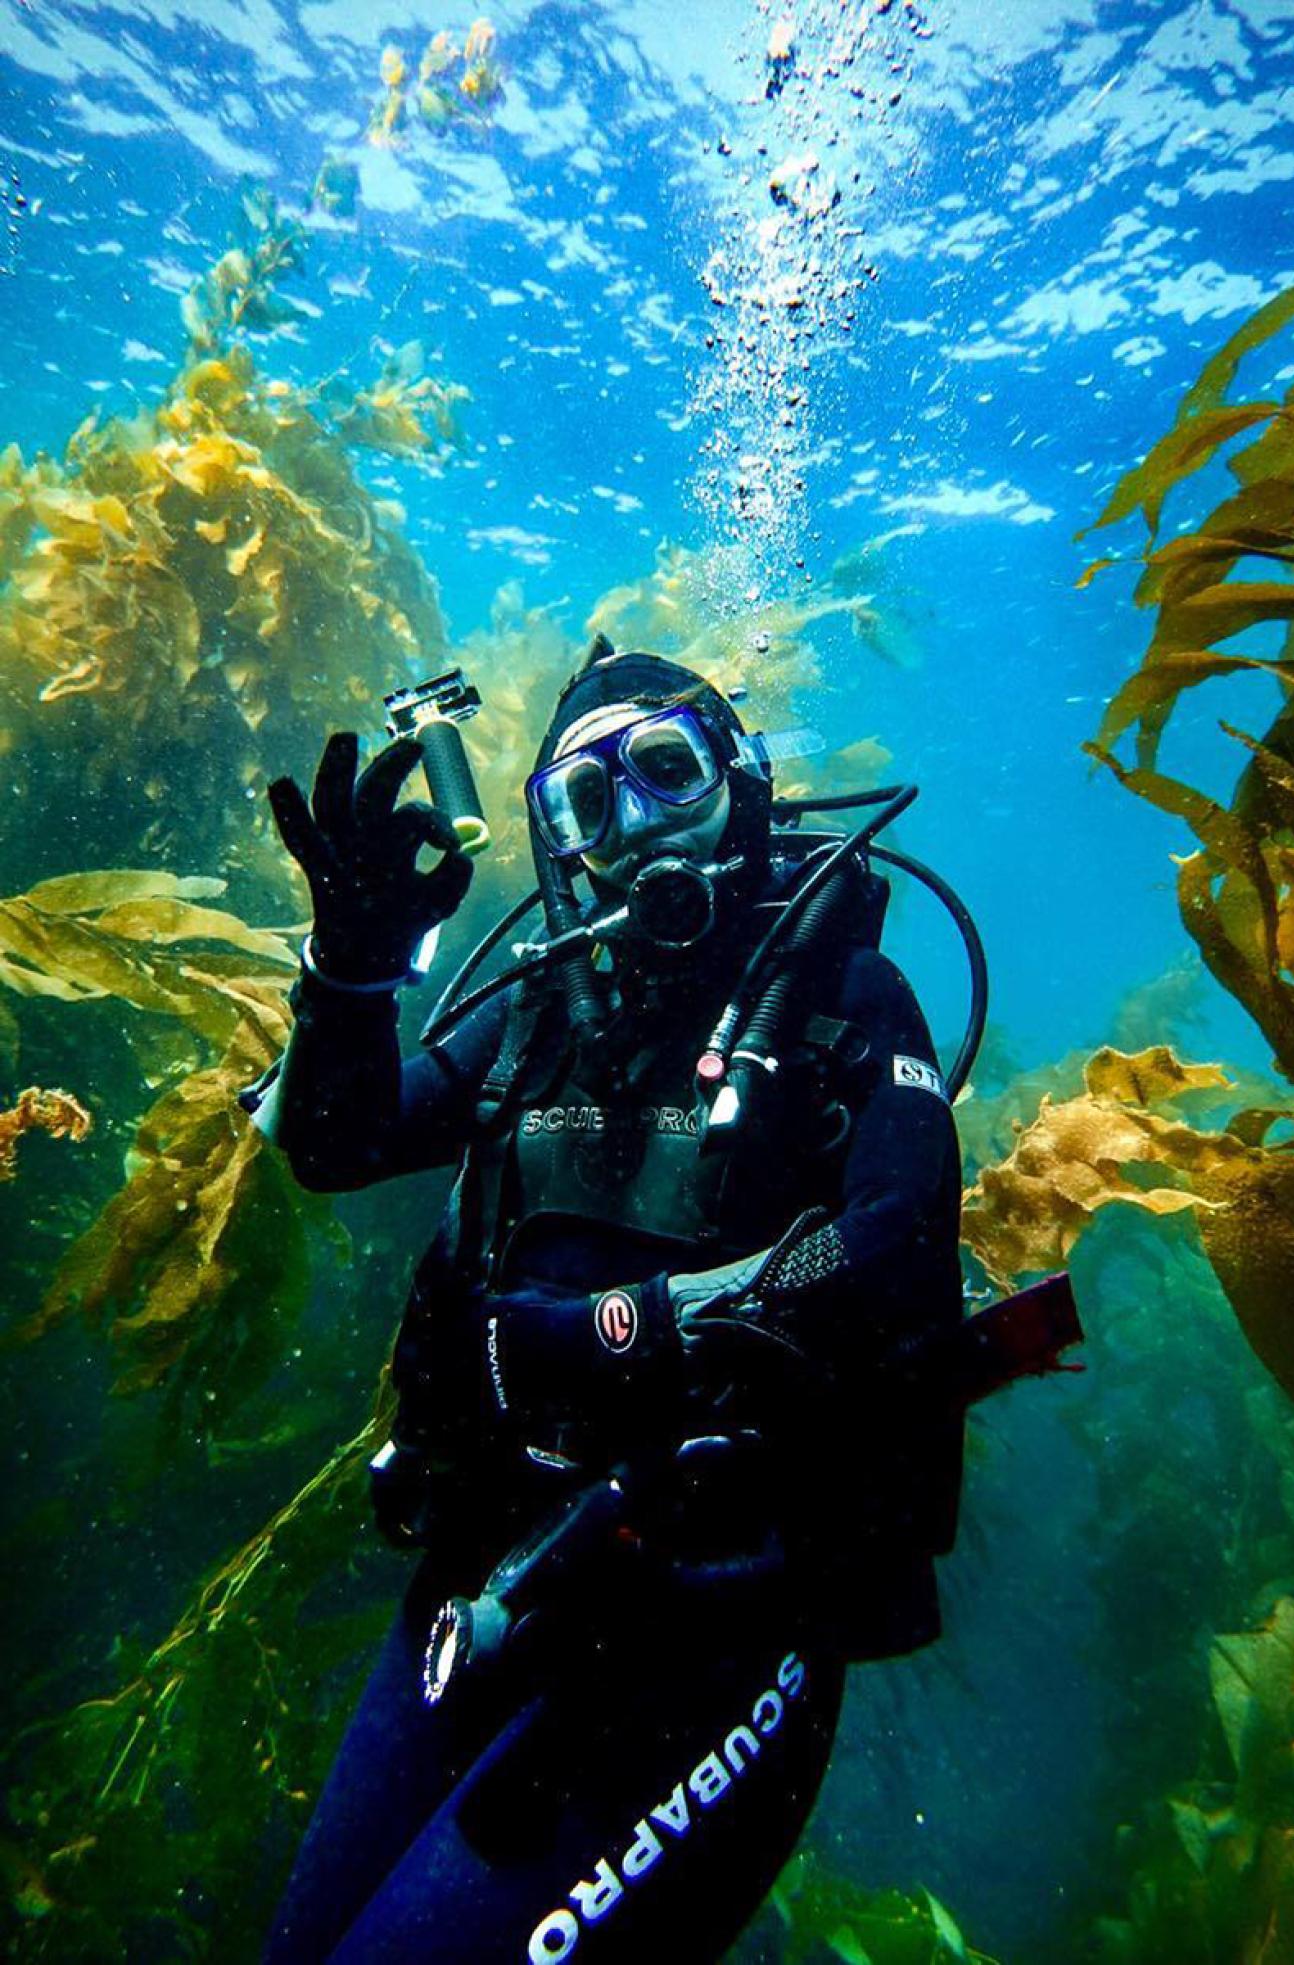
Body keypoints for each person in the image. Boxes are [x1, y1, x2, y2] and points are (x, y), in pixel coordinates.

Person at [254, 640, 967, 1964]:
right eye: (584, 802)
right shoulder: (541, 1006)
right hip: (489, 1568)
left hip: (708, 1623)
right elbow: (339, 1139)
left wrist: (580, 1336)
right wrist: (347, 977)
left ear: (739, 783)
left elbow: (891, 1255)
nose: (631, 828)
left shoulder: (841, 997)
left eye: (661, 771)